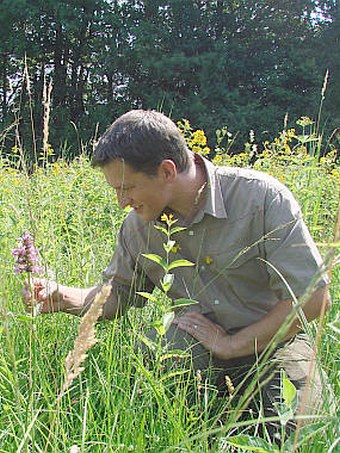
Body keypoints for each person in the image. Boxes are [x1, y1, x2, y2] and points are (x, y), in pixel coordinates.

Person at [24, 109, 331, 441]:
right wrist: (62, 296)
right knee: (171, 394)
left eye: (127, 188)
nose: (121, 202)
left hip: (275, 344)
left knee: (295, 436)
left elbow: (313, 300)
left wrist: (231, 344)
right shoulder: (137, 227)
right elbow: (118, 295)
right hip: (194, 349)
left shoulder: (260, 198)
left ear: (167, 171)